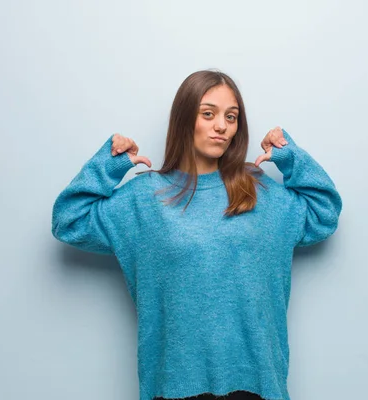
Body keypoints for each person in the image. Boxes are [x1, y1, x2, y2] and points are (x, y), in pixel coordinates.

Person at [51, 70, 343, 400]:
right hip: (174, 389)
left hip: (258, 386)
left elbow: (324, 212)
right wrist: (109, 164)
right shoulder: (146, 197)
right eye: (208, 114)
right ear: (184, 119)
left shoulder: (261, 192)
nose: (221, 126)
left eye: (231, 117)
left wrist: (290, 155)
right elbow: (69, 221)